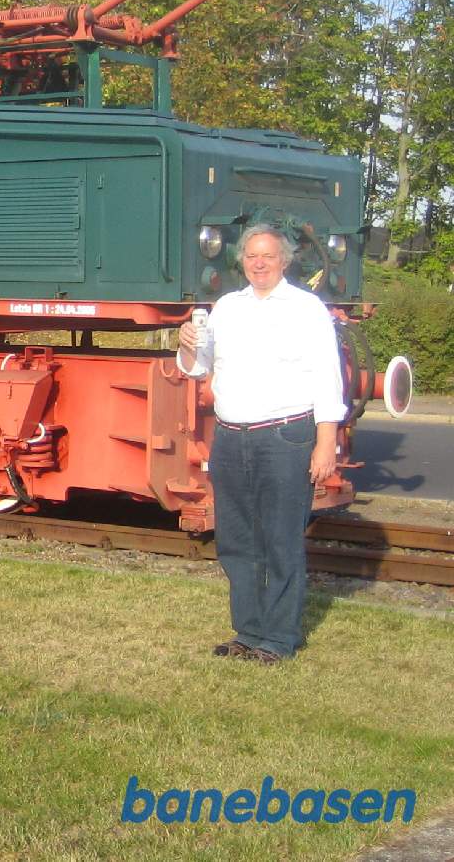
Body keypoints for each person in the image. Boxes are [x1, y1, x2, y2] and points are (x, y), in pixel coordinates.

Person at [177, 224, 345, 663]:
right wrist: (187, 346)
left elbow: (328, 377)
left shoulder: (308, 309)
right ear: (242, 261)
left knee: (280, 540)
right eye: (251, 256)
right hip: (232, 438)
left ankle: (278, 639)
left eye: (267, 256)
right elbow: (199, 369)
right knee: (236, 540)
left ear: (284, 260)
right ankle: (248, 633)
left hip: (286, 436)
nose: (259, 263)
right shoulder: (227, 308)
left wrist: (326, 441)